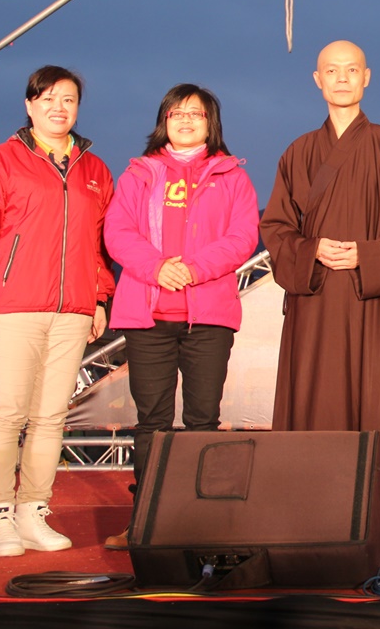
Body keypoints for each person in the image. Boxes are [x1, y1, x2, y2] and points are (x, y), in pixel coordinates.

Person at [262, 40, 380, 526]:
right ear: (317, 79)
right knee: (310, 398)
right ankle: (303, 511)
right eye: (331, 71)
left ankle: (368, 516)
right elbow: (275, 227)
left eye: (350, 70)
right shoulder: (299, 151)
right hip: (314, 299)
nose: (341, 78)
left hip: (367, 299)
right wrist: (312, 251)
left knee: (370, 401)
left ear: (366, 77)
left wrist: (367, 254)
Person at [0, 65, 114, 557]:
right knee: (6, 413)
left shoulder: (94, 169)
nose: (57, 107)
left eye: (67, 99)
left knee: (50, 418)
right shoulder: (1, 161)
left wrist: (100, 297)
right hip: (14, 306)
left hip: (72, 310)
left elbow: (99, 243)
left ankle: (33, 511)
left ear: (77, 108)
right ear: (29, 105)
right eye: (47, 98)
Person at [103, 84, 259, 548]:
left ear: (212, 123)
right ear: (163, 121)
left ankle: (200, 522)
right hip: (146, 315)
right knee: (151, 422)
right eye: (176, 113)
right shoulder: (139, 173)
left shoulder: (232, 176)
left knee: (202, 421)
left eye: (196, 113)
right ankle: (146, 520)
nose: (186, 120)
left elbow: (242, 238)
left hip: (208, 317)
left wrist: (191, 269)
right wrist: (156, 268)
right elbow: (117, 232)